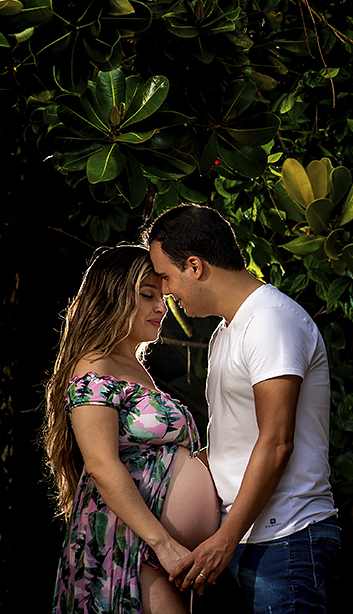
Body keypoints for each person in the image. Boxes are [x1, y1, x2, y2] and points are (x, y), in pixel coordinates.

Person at [144, 204, 340, 613]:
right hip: (239, 539)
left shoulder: (271, 320)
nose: (164, 290)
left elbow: (276, 442)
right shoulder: (224, 333)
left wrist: (224, 540)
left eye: (165, 275)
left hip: (285, 539)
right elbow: (228, 446)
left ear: (194, 266)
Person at [44, 245, 221, 613]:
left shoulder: (136, 369)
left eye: (162, 297)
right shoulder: (95, 365)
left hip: (154, 552)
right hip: (126, 547)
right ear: (113, 297)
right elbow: (101, 464)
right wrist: (164, 544)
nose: (161, 308)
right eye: (147, 296)